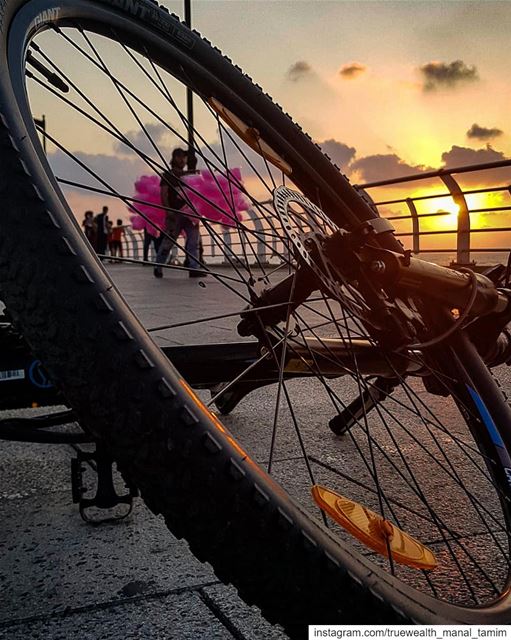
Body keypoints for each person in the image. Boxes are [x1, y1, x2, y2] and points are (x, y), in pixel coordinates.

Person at [154, 148, 206, 278]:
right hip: (175, 214)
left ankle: (194, 268)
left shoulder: (188, 175)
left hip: (190, 215)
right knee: (168, 242)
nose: (183, 160)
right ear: (175, 158)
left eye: (184, 158)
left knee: (194, 242)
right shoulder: (167, 175)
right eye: (181, 157)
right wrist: (168, 211)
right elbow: (164, 195)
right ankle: (158, 266)